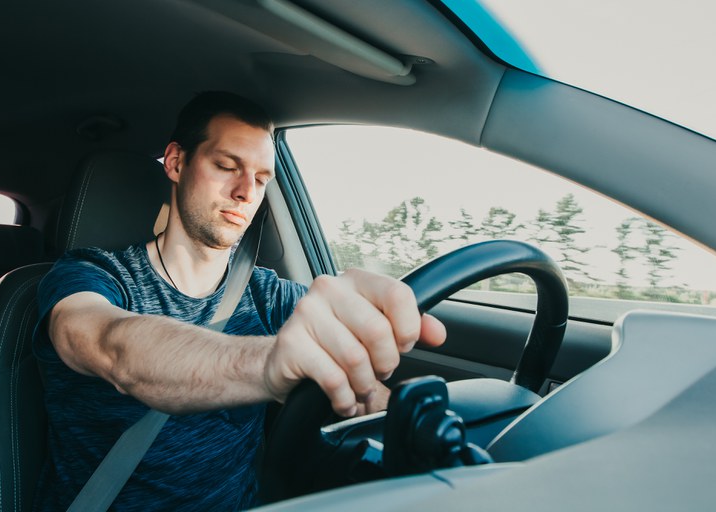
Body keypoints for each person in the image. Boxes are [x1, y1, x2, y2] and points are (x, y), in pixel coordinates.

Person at [33, 92, 446, 511]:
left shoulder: (269, 296)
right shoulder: (90, 274)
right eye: (226, 166)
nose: (246, 192)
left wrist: (411, 426)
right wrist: (268, 364)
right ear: (176, 162)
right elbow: (111, 345)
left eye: (262, 178)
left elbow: (358, 388)